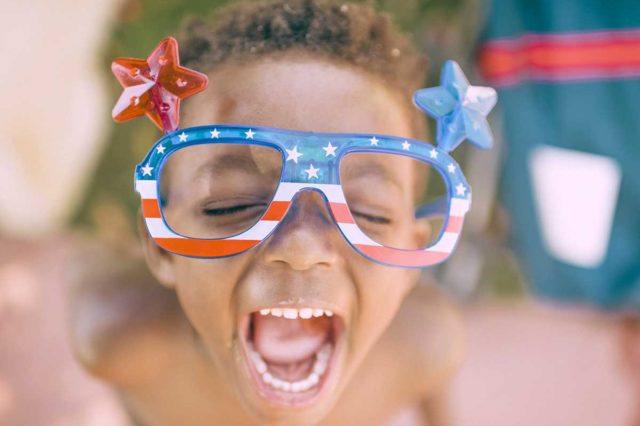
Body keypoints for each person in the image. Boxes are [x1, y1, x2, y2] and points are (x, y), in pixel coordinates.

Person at [70, 1, 477, 424]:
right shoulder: (122, 345)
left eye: (368, 214)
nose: (302, 248)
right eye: (233, 205)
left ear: (412, 259)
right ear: (160, 247)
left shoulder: (426, 348)